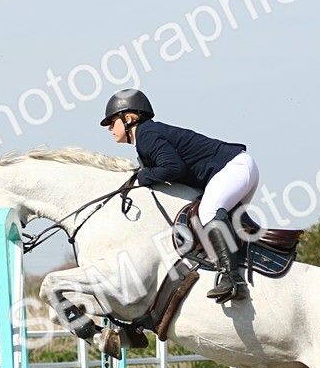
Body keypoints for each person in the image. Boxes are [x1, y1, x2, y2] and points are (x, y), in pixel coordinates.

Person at [101, 88, 259, 303]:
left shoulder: (146, 135)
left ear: (127, 118)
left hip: (234, 168)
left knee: (208, 212)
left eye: (112, 122)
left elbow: (174, 168)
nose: (110, 128)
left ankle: (232, 280)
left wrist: (144, 175)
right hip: (235, 169)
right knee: (223, 226)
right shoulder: (146, 137)